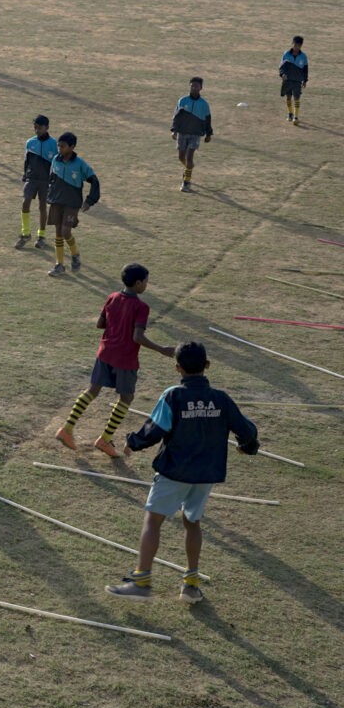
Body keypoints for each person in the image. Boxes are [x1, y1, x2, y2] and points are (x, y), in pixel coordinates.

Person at [106, 341, 260, 604]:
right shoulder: (221, 399)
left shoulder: (173, 395)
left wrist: (132, 442)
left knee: (153, 521)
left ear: (177, 368)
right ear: (207, 366)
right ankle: (190, 585)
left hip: (174, 471)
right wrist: (249, 447)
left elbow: (156, 428)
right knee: (193, 522)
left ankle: (141, 581)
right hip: (205, 475)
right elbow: (247, 430)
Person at [54, 262, 176, 457]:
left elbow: (100, 324)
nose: (146, 285)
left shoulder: (112, 297)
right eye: (146, 282)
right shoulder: (141, 307)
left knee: (92, 391)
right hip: (125, 358)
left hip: (105, 352)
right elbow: (137, 337)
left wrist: (117, 326)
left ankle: (66, 429)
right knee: (126, 397)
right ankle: (104, 439)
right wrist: (162, 349)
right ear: (138, 283)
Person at [46, 131, 99, 276]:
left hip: (72, 203)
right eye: (58, 146)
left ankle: (75, 254)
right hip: (57, 201)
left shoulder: (80, 164)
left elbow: (94, 181)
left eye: (62, 146)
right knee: (57, 232)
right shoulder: (55, 160)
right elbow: (51, 178)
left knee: (66, 232)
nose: (59, 149)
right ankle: (59, 265)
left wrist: (90, 200)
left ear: (72, 147)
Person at [17, 115, 58, 249]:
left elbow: (57, 164)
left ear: (47, 128)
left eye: (39, 128)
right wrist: (25, 174)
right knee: (25, 202)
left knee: (42, 207)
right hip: (32, 178)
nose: (37, 130)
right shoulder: (30, 142)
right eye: (35, 127)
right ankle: (25, 233)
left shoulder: (54, 144)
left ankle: (41, 236)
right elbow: (27, 160)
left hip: (46, 181)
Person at [170, 77, 212, 192]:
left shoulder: (204, 105)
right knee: (181, 157)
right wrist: (174, 130)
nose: (194, 88)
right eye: (192, 86)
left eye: (196, 86)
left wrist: (209, 134)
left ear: (201, 88)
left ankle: (186, 182)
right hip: (182, 133)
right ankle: (188, 169)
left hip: (195, 134)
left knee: (189, 157)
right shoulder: (182, 101)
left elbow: (208, 120)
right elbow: (177, 117)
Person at [280, 35, 308, 125]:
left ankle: (296, 117)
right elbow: (281, 67)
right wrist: (282, 74)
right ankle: (290, 114)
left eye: (299, 46)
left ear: (301, 46)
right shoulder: (286, 54)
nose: (297, 47)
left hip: (297, 80)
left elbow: (305, 69)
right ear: (293, 44)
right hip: (287, 80)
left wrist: (305, 80)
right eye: (295, 45)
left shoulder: (303, 57)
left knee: (297, 97)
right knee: (288, 97)